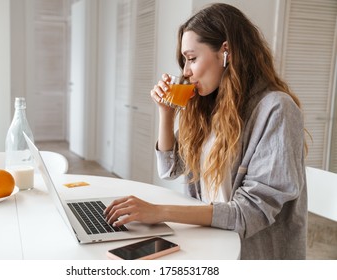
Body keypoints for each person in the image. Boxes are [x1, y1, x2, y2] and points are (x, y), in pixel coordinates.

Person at [104, 3, 307, 259]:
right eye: (184, 61)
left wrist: (160, 211)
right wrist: (166, 114)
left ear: (226, 51)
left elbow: (250, 213)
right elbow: (170, 169)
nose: (186, 72)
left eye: (192, 58)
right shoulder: (211, 105)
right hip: (212, 239)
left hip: (250, 255)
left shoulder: (276, 109)